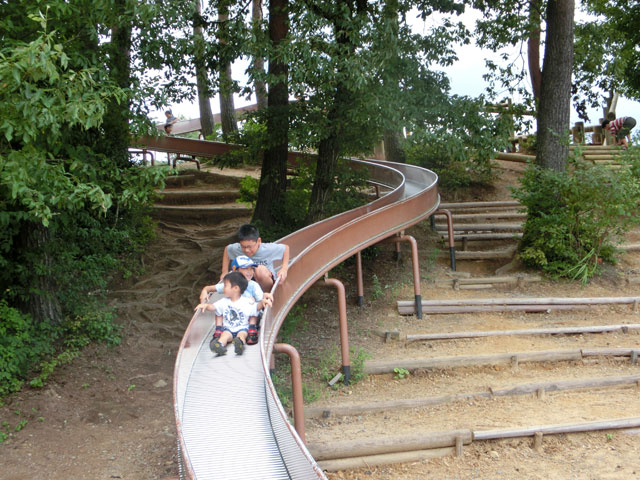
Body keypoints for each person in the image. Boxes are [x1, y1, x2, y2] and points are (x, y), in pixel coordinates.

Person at [199, 255, 273, 344]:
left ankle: (251, 330)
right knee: (220, 309)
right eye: (246, 269)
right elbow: (209, 288)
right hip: (235, 314)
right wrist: (204, 291)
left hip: (249, 314)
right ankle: (219, 332)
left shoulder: (253, 285)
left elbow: (260, 301)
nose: (250, 272)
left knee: (251, 306)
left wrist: (259, 299)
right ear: (235, 269)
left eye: (251, 269)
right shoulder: (229, 285)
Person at [194, 271, 258, 356]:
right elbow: (213, 307)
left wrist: (263, 301)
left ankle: (239, 344)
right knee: (224, 335)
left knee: (242, 335)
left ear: (235, 288)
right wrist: (205, 305)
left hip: (242, 328)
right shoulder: (223, 302)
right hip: (228, 329)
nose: (223, 288)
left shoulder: (246, 301)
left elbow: (255, 309)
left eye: (225, 286)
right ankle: (219, 346)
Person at [221, 224, 290, 293]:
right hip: (247, 281)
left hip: (265, 282)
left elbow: (286, 248)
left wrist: (284, 268)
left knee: (259, 270)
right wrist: (224, 271)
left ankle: (266, 296)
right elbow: (227, 249)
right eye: (243, 246)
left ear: (259, 241)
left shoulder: (267, 249)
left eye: (250, 247)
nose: (247, 250)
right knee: (238, 270)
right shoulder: (237, 249)